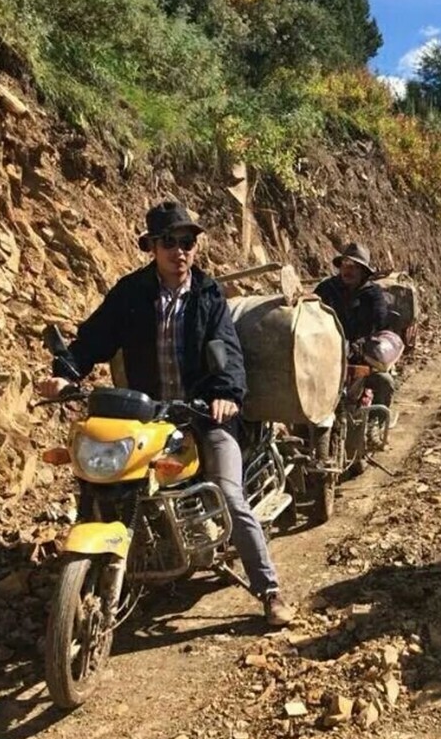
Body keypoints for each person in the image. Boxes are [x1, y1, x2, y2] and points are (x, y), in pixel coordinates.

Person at [36, 200, 295, 627]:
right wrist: (65, 374)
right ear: (152, 247)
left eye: (188, 242)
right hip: (148, 416)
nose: (180, 251)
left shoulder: (208, 294)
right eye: (170, 242)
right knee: (106, 481)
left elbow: (228, 350)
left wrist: (225, 394)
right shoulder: (130, 293)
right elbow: (94, 338)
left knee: (228, 495)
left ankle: (270, 591)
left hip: (202, 414)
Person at [315, 241, 394, 409]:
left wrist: (361, 344)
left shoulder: (373, 294)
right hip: (326, 351)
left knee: (384, 381)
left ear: (363, 271)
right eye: (345, 264)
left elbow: (380, 324)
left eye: (354, 266)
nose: (348, 270)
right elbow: (312, 312)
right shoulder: (327, 288)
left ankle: (376, 418)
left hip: (360, 354)